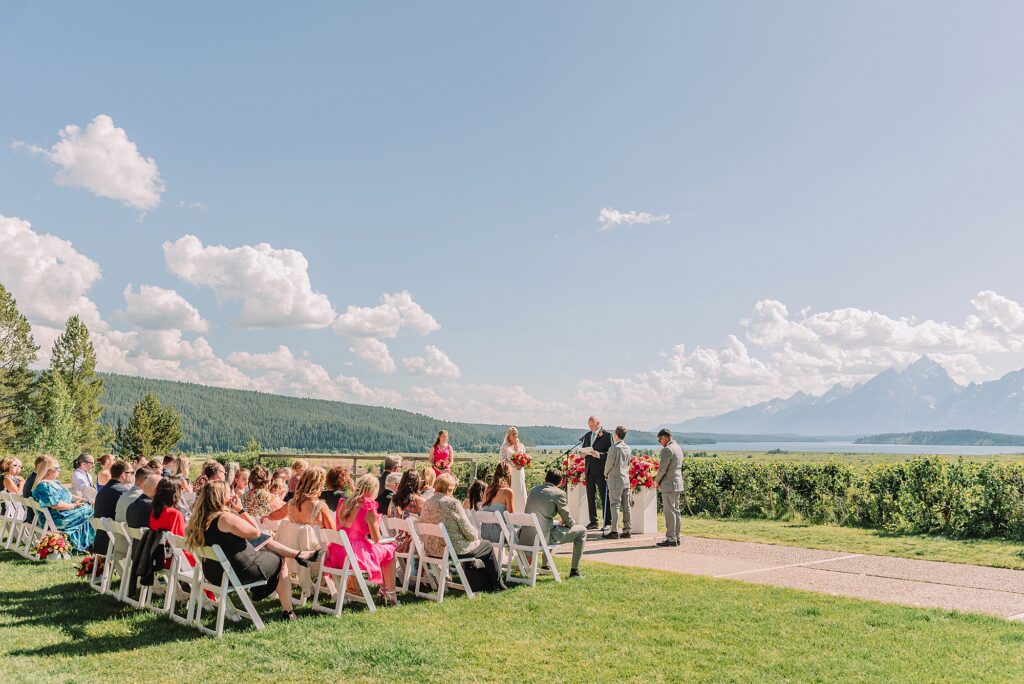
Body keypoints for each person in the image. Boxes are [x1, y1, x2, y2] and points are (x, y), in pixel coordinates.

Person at [185, 481, 323, 621]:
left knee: (266, 543)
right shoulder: (225, 518)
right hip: (238, 571)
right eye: (229, 491)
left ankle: (299, 555)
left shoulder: (199, 519)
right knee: (279, 560)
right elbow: (256, 532)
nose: (233, 493)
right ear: (222, 496)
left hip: (214, 572)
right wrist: (240, 510)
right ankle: (288, 611)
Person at [420, 473, 505, 592]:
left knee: (470, 547)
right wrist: (476, 535)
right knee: (487, 546)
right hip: (451, 550)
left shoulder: (427, 502)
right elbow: (467, 530)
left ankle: (476, 583)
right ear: (450, 488)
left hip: (431, 549)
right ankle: (498, 584)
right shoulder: (453, 503)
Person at [328, 473, 401, 606]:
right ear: (373, 490)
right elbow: (376, 538)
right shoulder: (368, 507)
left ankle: (384, 589)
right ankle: (391, 592)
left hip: (338, 551)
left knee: (385, 549)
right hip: (355, 554)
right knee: (389, 549)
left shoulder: (343, 502)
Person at [523, 469, 586, 579]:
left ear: (545, 479)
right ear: (561, 482)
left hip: (526, 536)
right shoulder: (559, 494)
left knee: (552, 526)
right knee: (582, 531)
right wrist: (570, 524)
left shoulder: (533, 490)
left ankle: (545, 566)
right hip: (543, 538)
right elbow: (568, 519)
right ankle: (574, 571)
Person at [31, 455, 95, 552]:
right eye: (57, 468)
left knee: (89, 507)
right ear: (49, 470)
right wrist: (74, 505)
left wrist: (84, 500)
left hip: (63, 513)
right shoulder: (44, 485)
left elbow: (69, 495)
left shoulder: (54, 482)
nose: (60, 470)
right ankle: (83, 544)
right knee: (91, 511)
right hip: (57, 518)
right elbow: (57, 505)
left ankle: (84, 543)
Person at [92, 460, 133, 554]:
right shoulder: (123, 492)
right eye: (131, 472)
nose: (132, 475)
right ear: (123, 475)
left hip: (101, 541)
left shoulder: (102, 491)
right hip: (115, 543)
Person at [149, 478, 191, 568]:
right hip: (173, 560)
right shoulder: (174, 513)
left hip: (157, 556)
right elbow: (179, 541)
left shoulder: (154, 512)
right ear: (175, 493)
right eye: (180, 488)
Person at [581, 416, 612, 531]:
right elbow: (584, 449)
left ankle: (607, 522)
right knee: (590, 496)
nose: (591, 427)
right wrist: (583, 454)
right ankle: (593, 521)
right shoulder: (587, 436)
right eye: (589, 425)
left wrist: (598, 454)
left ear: (598, 423)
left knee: (604, 496)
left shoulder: (607, 436)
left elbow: (611, 454)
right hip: (589, 471)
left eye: (593, 425)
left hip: (601, 471)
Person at [655, 429, 684, 548]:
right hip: (678, 483)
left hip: (669, 484)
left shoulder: (667, 450)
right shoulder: (678, 447)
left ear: (666, 437)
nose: (660, 442)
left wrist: (655, 481)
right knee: (676, 511)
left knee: (669, 511)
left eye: (660, 439)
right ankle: (676, 536)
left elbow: (662, 469)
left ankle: (671, 538)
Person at [603, 426, 631, 539]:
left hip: (615, 479)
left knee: (614, 504)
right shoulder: (628, 448)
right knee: (626, 505)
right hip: (626, 478)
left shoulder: (614, 448)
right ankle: (627, 529)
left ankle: (614, 530)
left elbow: (609, 464)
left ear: (616, 435)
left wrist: (605, 473)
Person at [479, 463, 514, 543]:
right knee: (523, 530)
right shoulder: (507, 492)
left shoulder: (487, 489)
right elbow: (510, 517)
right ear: (508, 476)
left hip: (484, 534)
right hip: (500, 535)